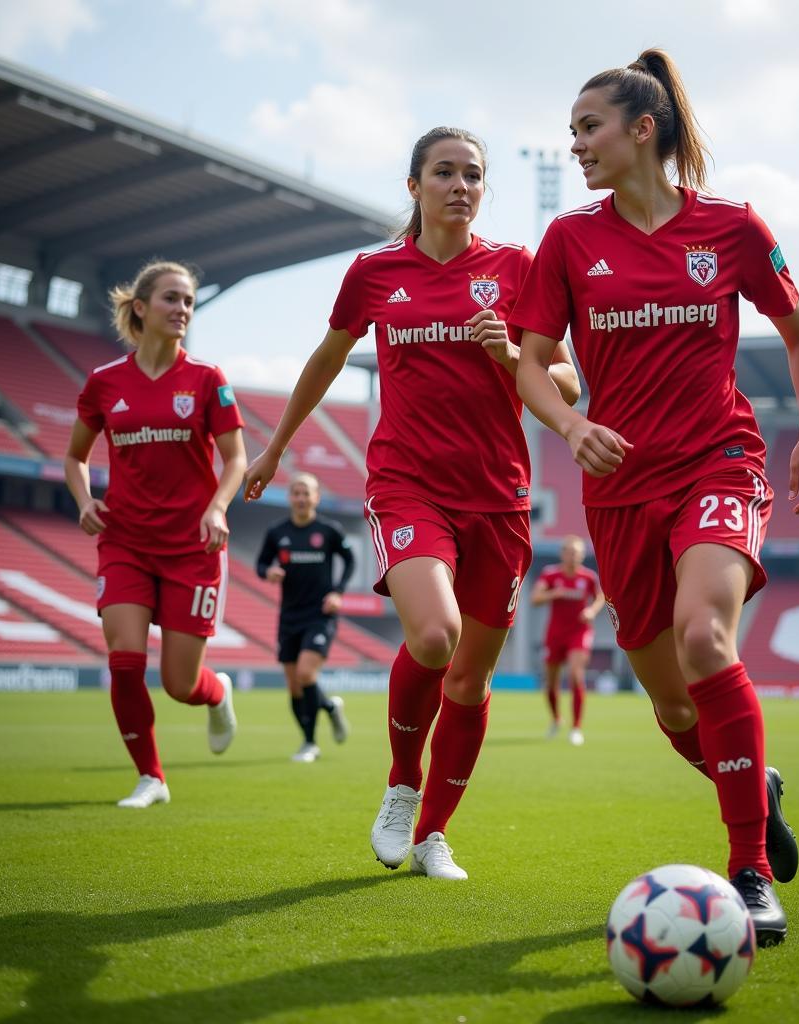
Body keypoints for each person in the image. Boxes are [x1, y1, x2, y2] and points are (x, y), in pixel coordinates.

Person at [512, 50, 799, 945]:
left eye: (589, 127)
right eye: (571, 132)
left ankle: (751, 873)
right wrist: (573, 431)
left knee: (704, 637)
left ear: (641, 129)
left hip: (718, 461)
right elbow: (534, 368)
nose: (576, 145)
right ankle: (756, 788)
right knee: (675, 705)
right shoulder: (570, 241)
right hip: (618, 490)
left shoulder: (730, 226)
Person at [244, 126, 580, 879]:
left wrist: (508, 354)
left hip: (500, 496)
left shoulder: (516, 268)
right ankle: (402, 782)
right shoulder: (374, 273)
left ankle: (433, 834)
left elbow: (566, 384)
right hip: (407, 485)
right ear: (414, 186)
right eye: (444, 173)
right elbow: (328, 357)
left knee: (470, 679)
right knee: (435, 638)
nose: (460, 185)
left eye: (473, 175)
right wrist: (273, 447)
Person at [65, 260, 247, 809]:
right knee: (124, 659)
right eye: (171, 299)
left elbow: (236, 459)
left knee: (179, 685)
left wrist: (217, 508)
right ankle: (151, 777)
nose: (183, 310)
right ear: (140, 308)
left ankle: (217, 695)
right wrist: (83, 500)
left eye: (188, 301)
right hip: (125, 541)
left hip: (194, 547)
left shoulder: (207, 380)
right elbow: (75, 456)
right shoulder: (104, 382)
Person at [256, 471, 355, 762]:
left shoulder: (328, 530)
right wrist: (268, 572)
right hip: (289, 616)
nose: (301, 498)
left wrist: (337, 591)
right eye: (296, 493)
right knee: (294, 685)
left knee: (306, 674)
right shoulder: (277, 532)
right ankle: (329, 708)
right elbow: (261, 563)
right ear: (290, 498)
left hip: (320, 615)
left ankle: (310, 743)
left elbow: (350, 559)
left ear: (316, 498)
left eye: (306, 493)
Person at [530, 535, 604, 744]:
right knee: (551, 682)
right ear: (562, 554)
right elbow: (535, 598)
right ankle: (556, 719)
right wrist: (554, 593)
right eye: (570, 552)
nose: (573, 556)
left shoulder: (589, 577)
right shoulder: (550, 575)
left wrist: (591, 610)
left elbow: (600, 598)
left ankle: (576, 728)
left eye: (577, 553)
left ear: (582, 555)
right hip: (555, 633)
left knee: (575, 674)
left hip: (580, 631)